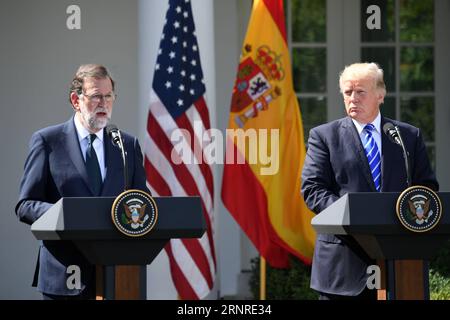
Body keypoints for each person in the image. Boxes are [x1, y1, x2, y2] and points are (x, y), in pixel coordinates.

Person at [301, 62, 438, 300]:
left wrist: (409, 214)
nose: (353, 98)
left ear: (380, 95)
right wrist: (353, 215)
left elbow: (426, 188)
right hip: (344, 265)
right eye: (348, 92)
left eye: (361, 92)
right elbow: (312, 189)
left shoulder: (406, 136)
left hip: (400, 265)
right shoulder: (323, 137)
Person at [15, 64, 149, 300]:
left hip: (118, 274)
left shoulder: (127, 145)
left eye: (109, 96)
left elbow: (141, 202)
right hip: (64, 273)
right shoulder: (48, 142)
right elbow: (25, 205)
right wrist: (66, 214)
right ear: (76, 100)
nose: (104, 103)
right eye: (96, 96)